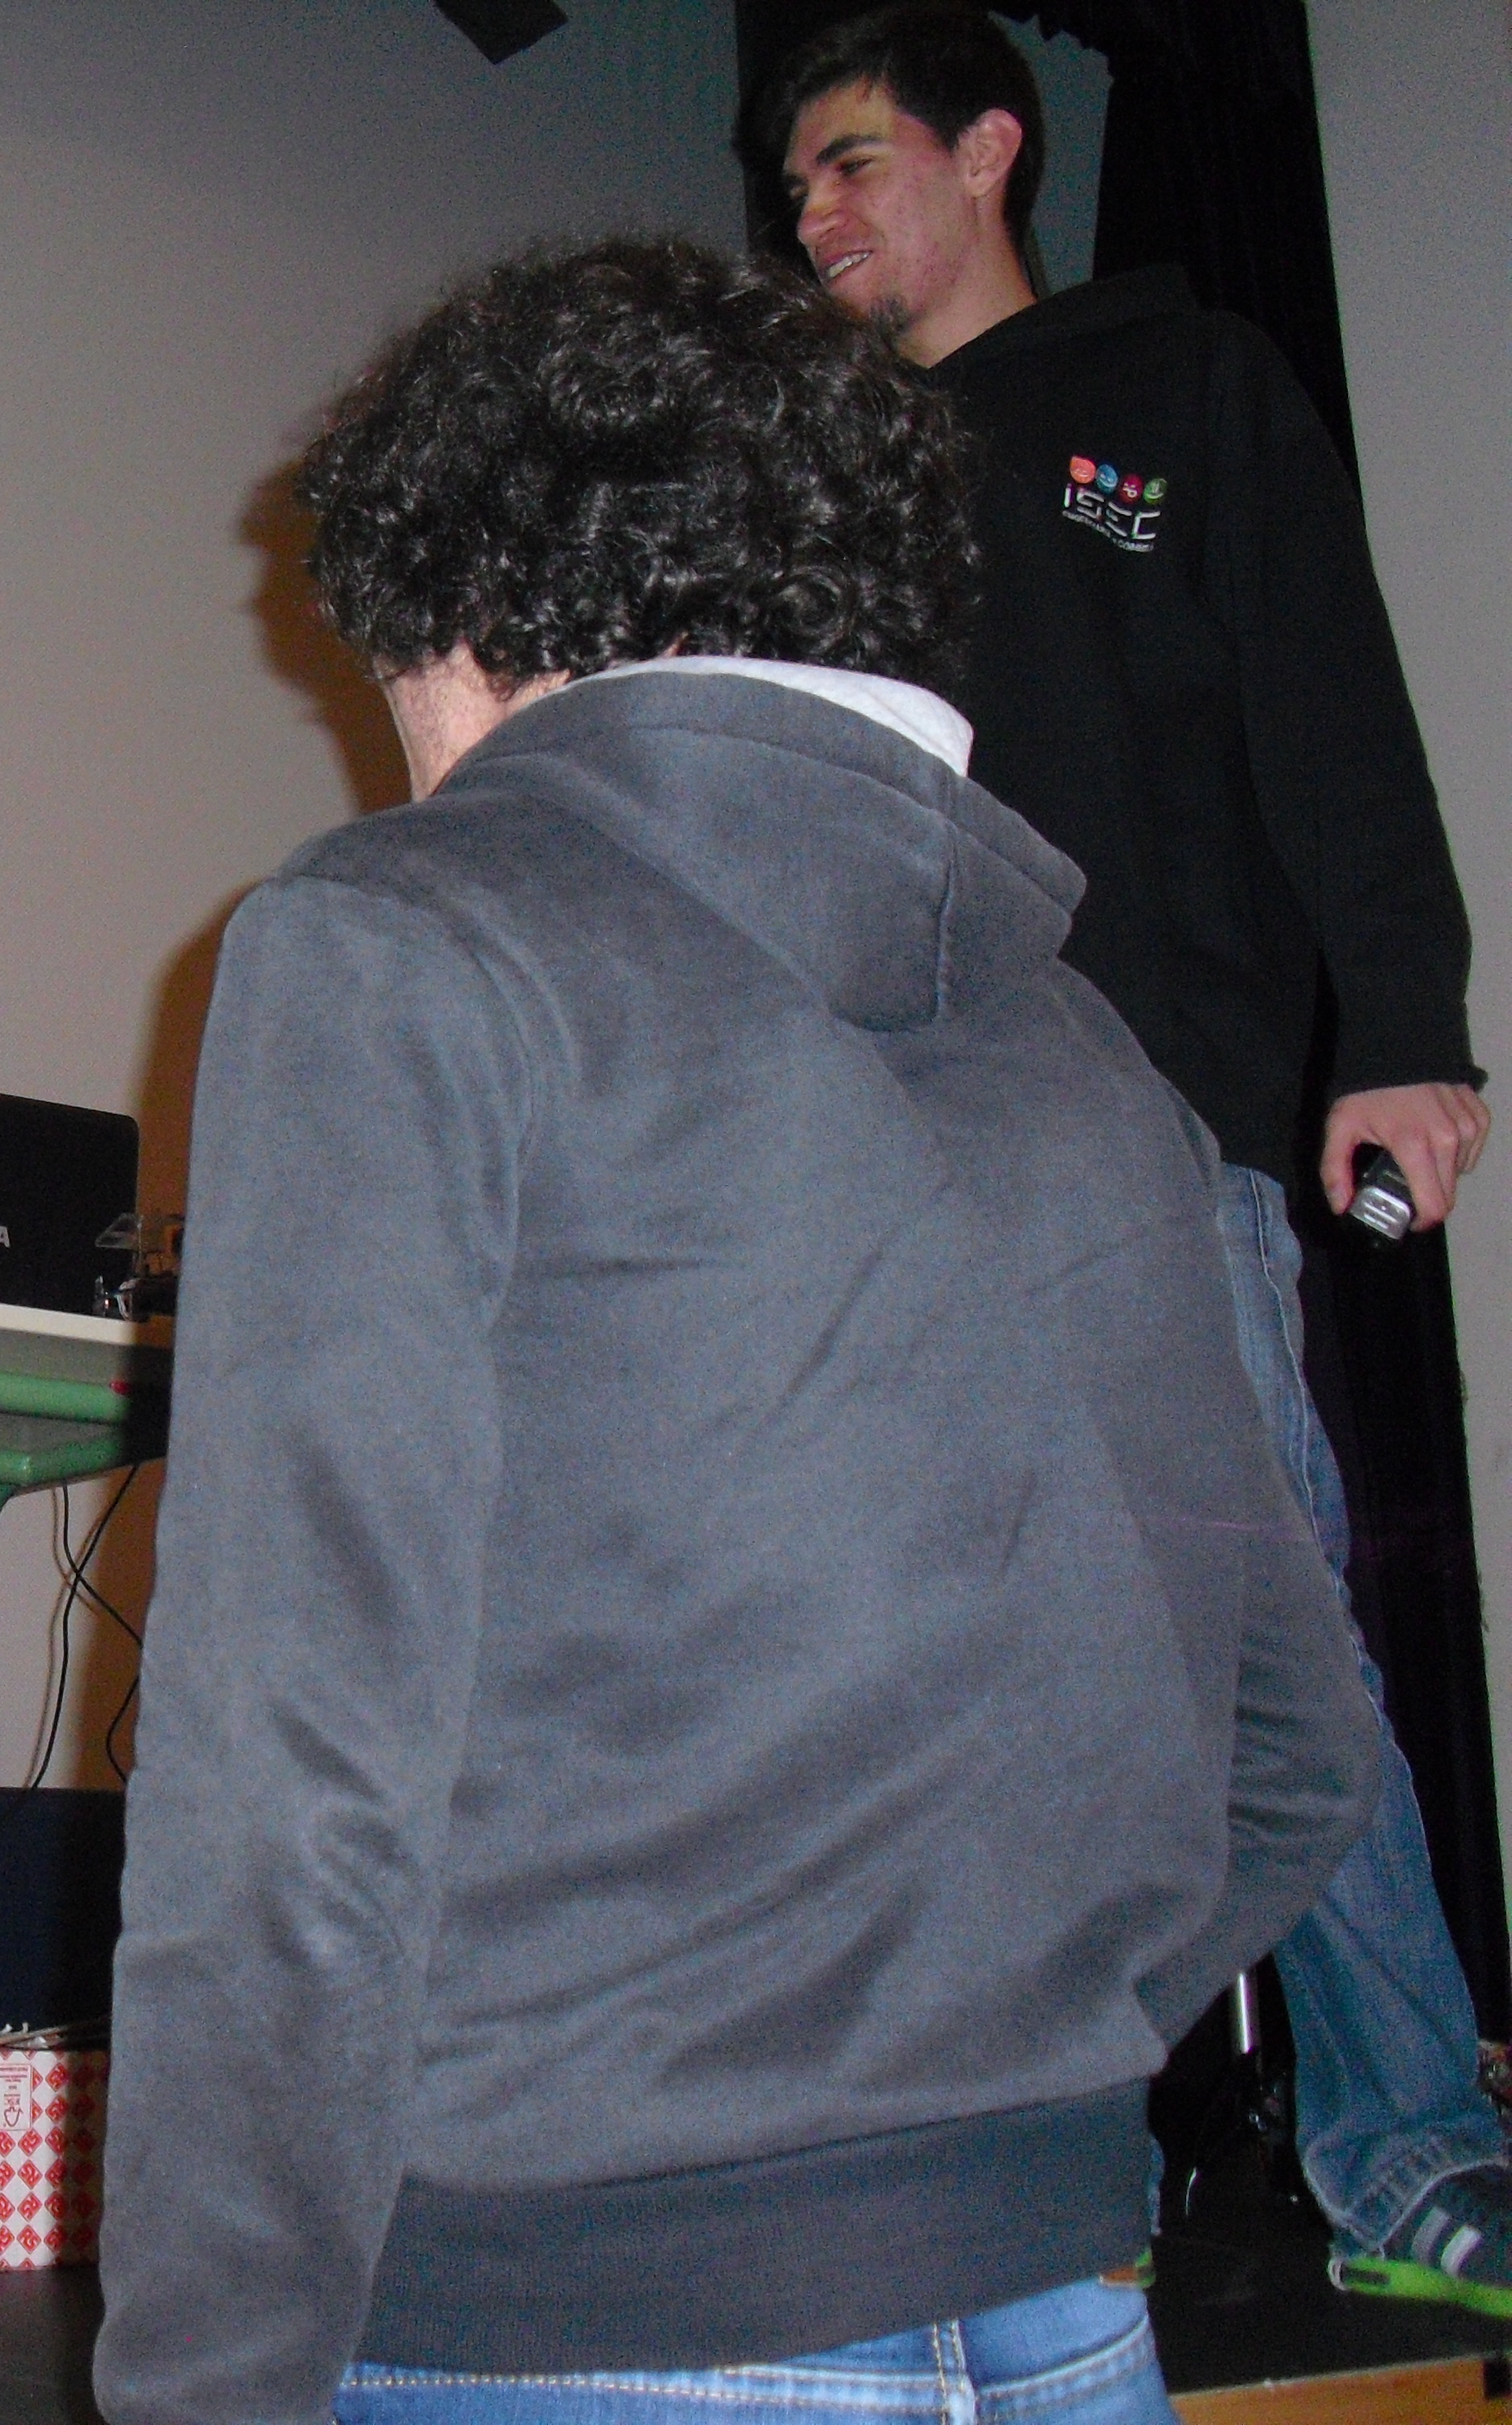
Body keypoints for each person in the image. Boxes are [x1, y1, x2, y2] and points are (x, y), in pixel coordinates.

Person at [93, 233, 1382, 2425]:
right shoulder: (1092, 1057)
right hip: (1066, 2315)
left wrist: (205, 2390)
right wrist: (987, 2078)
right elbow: (1302, 1748)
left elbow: (290, 1797)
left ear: (465, 623)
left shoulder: (399, 935)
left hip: (569, 2328)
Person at [757, 2, 1506, 2313]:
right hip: (887, 1150)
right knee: (911, 1655)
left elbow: (1330, 703)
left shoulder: (1175, 397)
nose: (814, 213)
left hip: (1155, 1127)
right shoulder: (828, 482)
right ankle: (980, 2164)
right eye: (797, 183)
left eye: (853, 160)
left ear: (992, 147)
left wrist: (1406, 1030)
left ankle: (1414, 2147)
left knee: (1264, 1637)